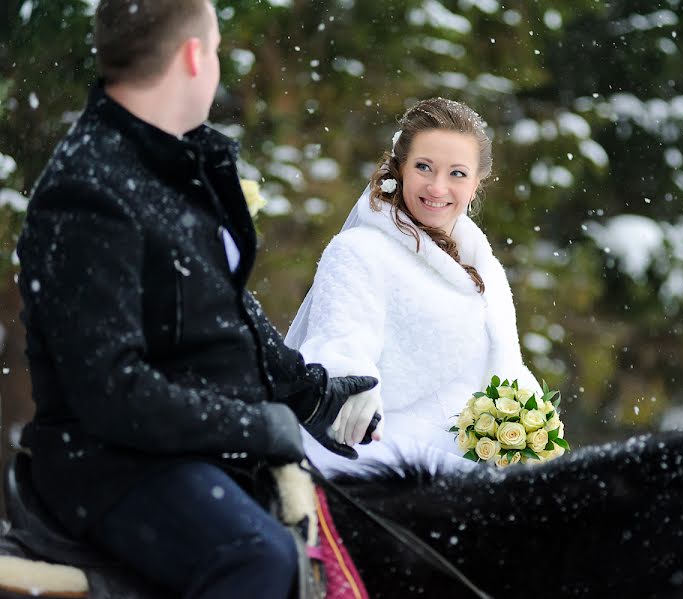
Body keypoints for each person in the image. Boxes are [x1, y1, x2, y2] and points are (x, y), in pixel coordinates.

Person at [14, 1, 377, 596]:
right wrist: (253, 426)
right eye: (213, 48)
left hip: (188, 448)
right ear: (191, 55)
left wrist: (311, 396)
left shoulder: (183, 162)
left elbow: (225, 315)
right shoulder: (86, 190)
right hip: (109, 465)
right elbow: (112, 391)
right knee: (256, 557)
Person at [285, 97, 539, 475]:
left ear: (476, 183)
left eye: (457, 173)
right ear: (400, 168)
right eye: (424, 167)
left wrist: (530, 429)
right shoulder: (359, 252)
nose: (438, 187)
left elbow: (507, 372)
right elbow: (340, 344)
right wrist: (348, 380)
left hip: (476, 479)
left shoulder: (487, 272)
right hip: (386, 469)